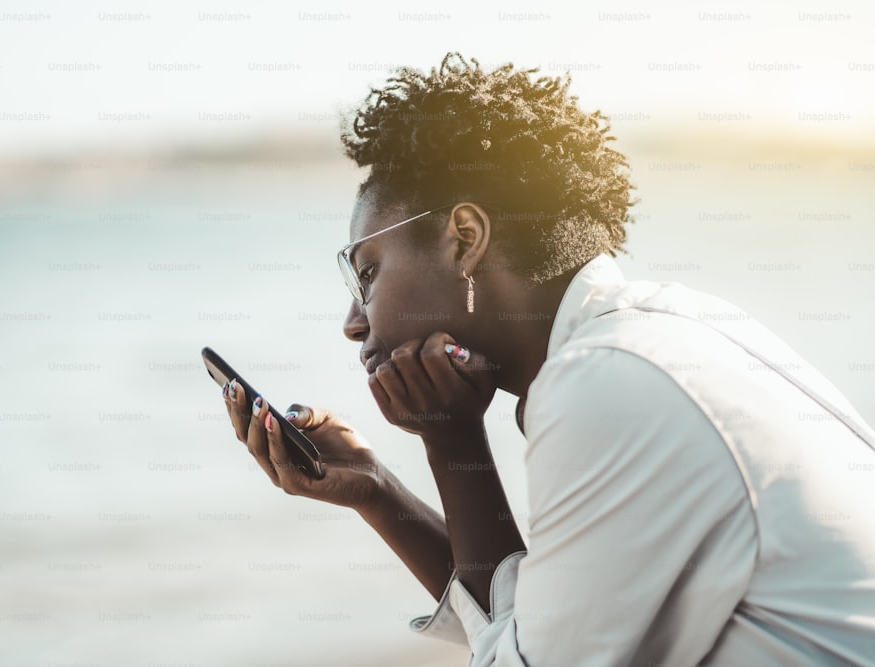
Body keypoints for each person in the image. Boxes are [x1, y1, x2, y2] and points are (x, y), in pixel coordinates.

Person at [221, 53, 875, 665]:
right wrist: (376, 488)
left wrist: (451, 442)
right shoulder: (667, 332)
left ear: (466, 239)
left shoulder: (609, 386)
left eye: (367, 272)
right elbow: (535, 622)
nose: (353, 322)